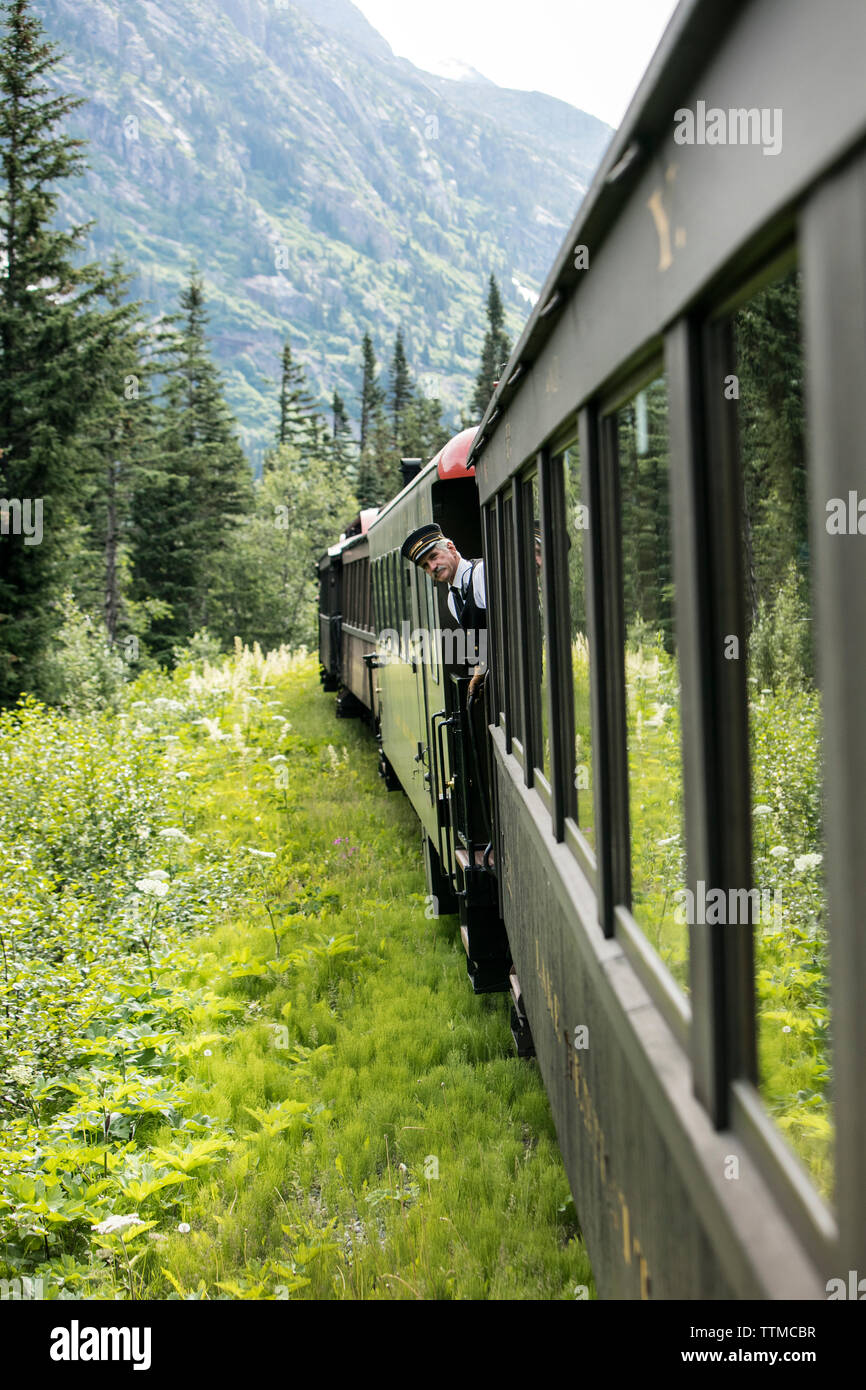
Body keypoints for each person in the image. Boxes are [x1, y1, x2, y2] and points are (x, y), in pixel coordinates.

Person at [400, 523, 487, 698]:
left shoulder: (481, 573)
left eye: (434, 557)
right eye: (425, 566)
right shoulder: (452, 599)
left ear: (451, 548)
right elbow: (482, 639)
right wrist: (480, 670)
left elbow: (501, 630)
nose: (432, 567)